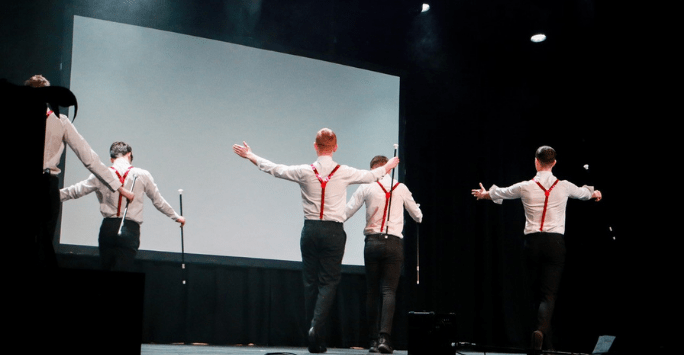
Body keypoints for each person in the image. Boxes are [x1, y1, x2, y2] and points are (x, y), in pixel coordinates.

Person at [232, 128, 399, 353]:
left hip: (310, 230)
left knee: (310, 283)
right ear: (336, 147)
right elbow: (370, 176)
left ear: (315, 146)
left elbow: (274, 169)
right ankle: (315, 329)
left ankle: (316, 337)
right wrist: (388, 167)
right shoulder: (344, 171)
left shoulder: (304, 171)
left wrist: (251, 155)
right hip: (333, 231)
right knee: (328, 282)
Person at [471, 145, 602, 351]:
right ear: (554, 163)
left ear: (536, 161)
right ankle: (541, 332)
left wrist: (485, 194)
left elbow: (502, 193)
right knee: (548, 295)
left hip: (532, 244)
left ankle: (544, 342)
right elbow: (584, 193)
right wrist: (595, 193)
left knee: (536, 294)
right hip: (555, 244)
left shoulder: (525, 186)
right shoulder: (564, 186)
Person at [25, 75, 134, 268]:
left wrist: (117, 186)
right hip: (44, 185)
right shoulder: (60, 120)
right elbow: (89, 158)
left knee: (41, 246)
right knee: (42, 246)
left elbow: (89, 158)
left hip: (44, 185)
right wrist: (119, 187)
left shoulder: (60, 121)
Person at [60, 141, 185, 272]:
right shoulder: (143, 174)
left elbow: (75, 191)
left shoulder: (101, 174)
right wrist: (176, 217)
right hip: (130, 229)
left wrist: (49, 195)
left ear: (111, 159)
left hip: (108, 228)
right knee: (122, 277)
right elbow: (158, 201)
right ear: (129, 154)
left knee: (106, 274)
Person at [345, 155, 422, 354]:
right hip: (394, 244)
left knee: (372, 291)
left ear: (376, 169)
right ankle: (384, 338)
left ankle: (372, 340)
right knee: (389, 291)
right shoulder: (401, 188)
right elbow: (418, 216)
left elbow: (346, 211)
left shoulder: (366, 186)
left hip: (372, 242)